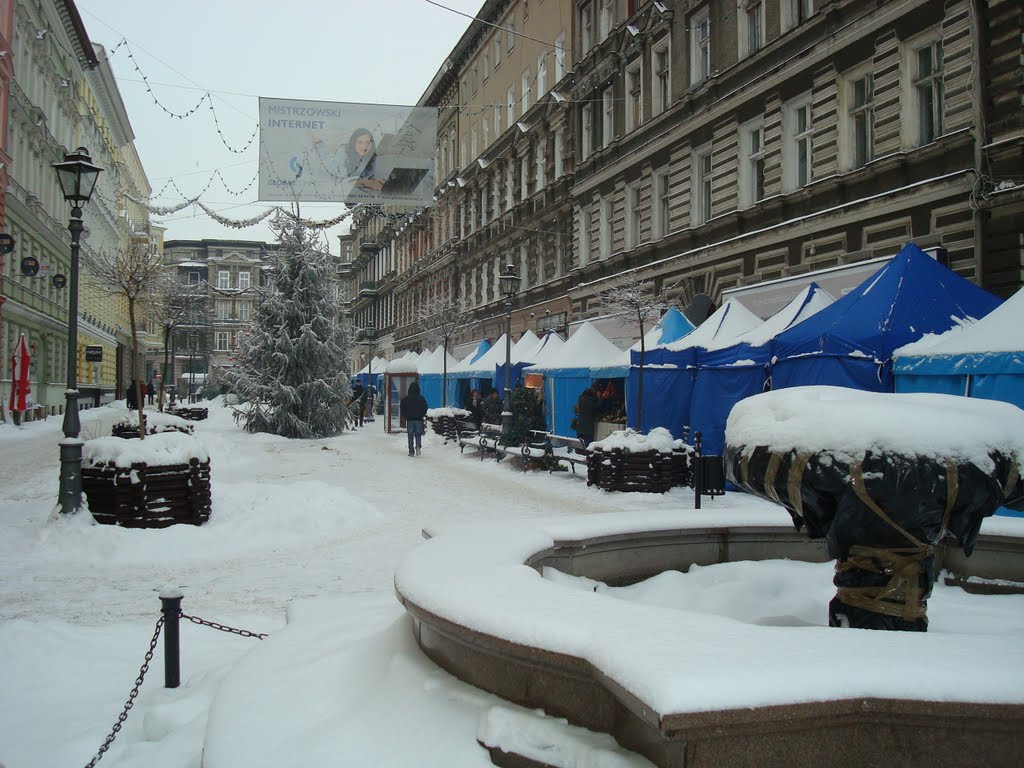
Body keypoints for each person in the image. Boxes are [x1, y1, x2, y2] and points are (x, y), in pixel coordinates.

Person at [400, 381, 428, 456]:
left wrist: (405, 416)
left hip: (409, 420)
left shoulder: (406, 399)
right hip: (418, 420)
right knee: (418, 435)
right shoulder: (421, 398)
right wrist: (422, 415)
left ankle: (411, 451)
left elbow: (402, 408)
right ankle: (418, 446)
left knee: (410, 436)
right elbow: (425, 408)